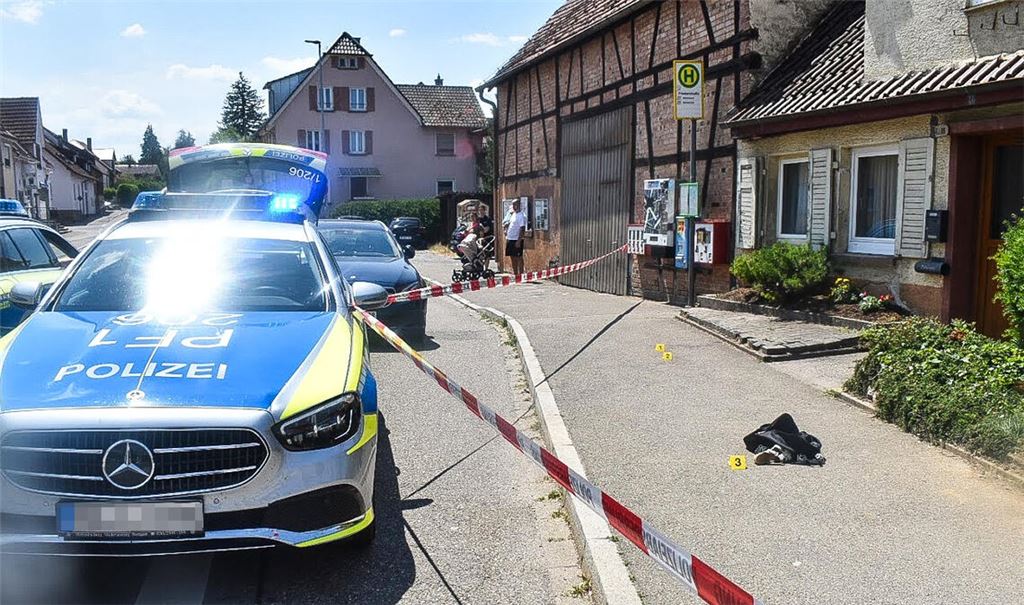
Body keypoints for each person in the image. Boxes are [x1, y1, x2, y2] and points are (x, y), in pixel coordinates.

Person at [504, 199, 527, 275]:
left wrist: (519, 241)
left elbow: (522, 228)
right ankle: (515, 274)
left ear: (519, 205)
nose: (514, 206)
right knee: (512, 257)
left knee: (519, 257)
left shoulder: (521, 215)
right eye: (513, 205)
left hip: (516, 240)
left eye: (515, 204)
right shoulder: (513, 214)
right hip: (510, 238)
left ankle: (521, 274)